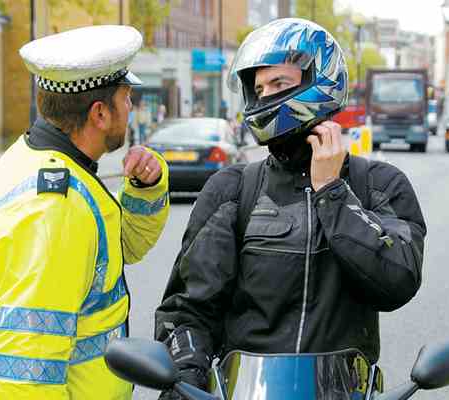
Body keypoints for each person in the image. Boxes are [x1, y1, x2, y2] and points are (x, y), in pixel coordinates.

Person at [155, 18, 426, 396]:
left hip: (341, 391)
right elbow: (189, 309)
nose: (265, 97)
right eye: (259, 87)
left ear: (320, 80)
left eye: (279, 84)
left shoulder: (379, 186)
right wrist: (185, 376)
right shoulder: (232, 190)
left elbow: (397, 282)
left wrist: (332, 191)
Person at [0, 25, 170, 399]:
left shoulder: (41, 162)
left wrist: (145, 186)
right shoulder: (54, 210)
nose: (131, 107)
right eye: (127, 98)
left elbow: (123, 249)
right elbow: (28, 372)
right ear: (100, 114)